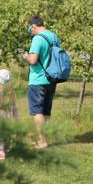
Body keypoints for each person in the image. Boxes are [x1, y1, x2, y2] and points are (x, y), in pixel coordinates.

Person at [22, 16, 60, 149]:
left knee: (37, 111)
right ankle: (46, 139)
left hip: (38, 79)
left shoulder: (37, 39)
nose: (30, 32)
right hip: (52, 79)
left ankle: (42, 141)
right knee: (46, 111)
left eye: (30, 30)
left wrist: (25, 56)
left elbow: (33, 60)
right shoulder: (54, 37)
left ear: (33, 26)